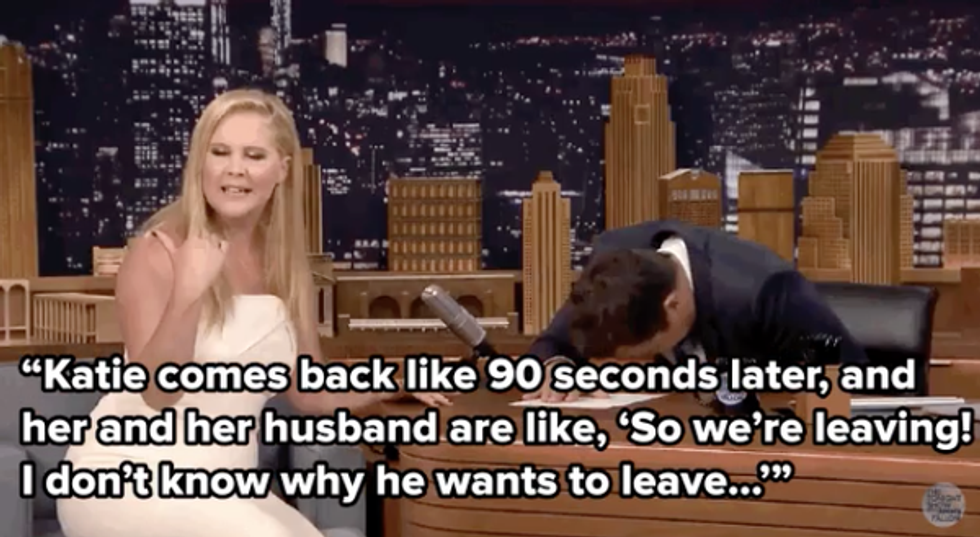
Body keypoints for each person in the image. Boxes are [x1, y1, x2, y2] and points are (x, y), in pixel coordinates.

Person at [58, 89, 446, 537]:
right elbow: (157, 393)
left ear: (282, 168)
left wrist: (389, 382)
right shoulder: (157, 252)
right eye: (219, 152)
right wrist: (188, 292)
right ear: (200, 163)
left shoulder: (286, 266)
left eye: (254, 155)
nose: (235, 169)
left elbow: (309, 392)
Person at [525, 219, 868, 403]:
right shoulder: (613, 270)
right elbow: (554, 342)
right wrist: (558, 366)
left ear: (672, 305)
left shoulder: (768, 292)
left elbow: (853, 380)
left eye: (642, 354)